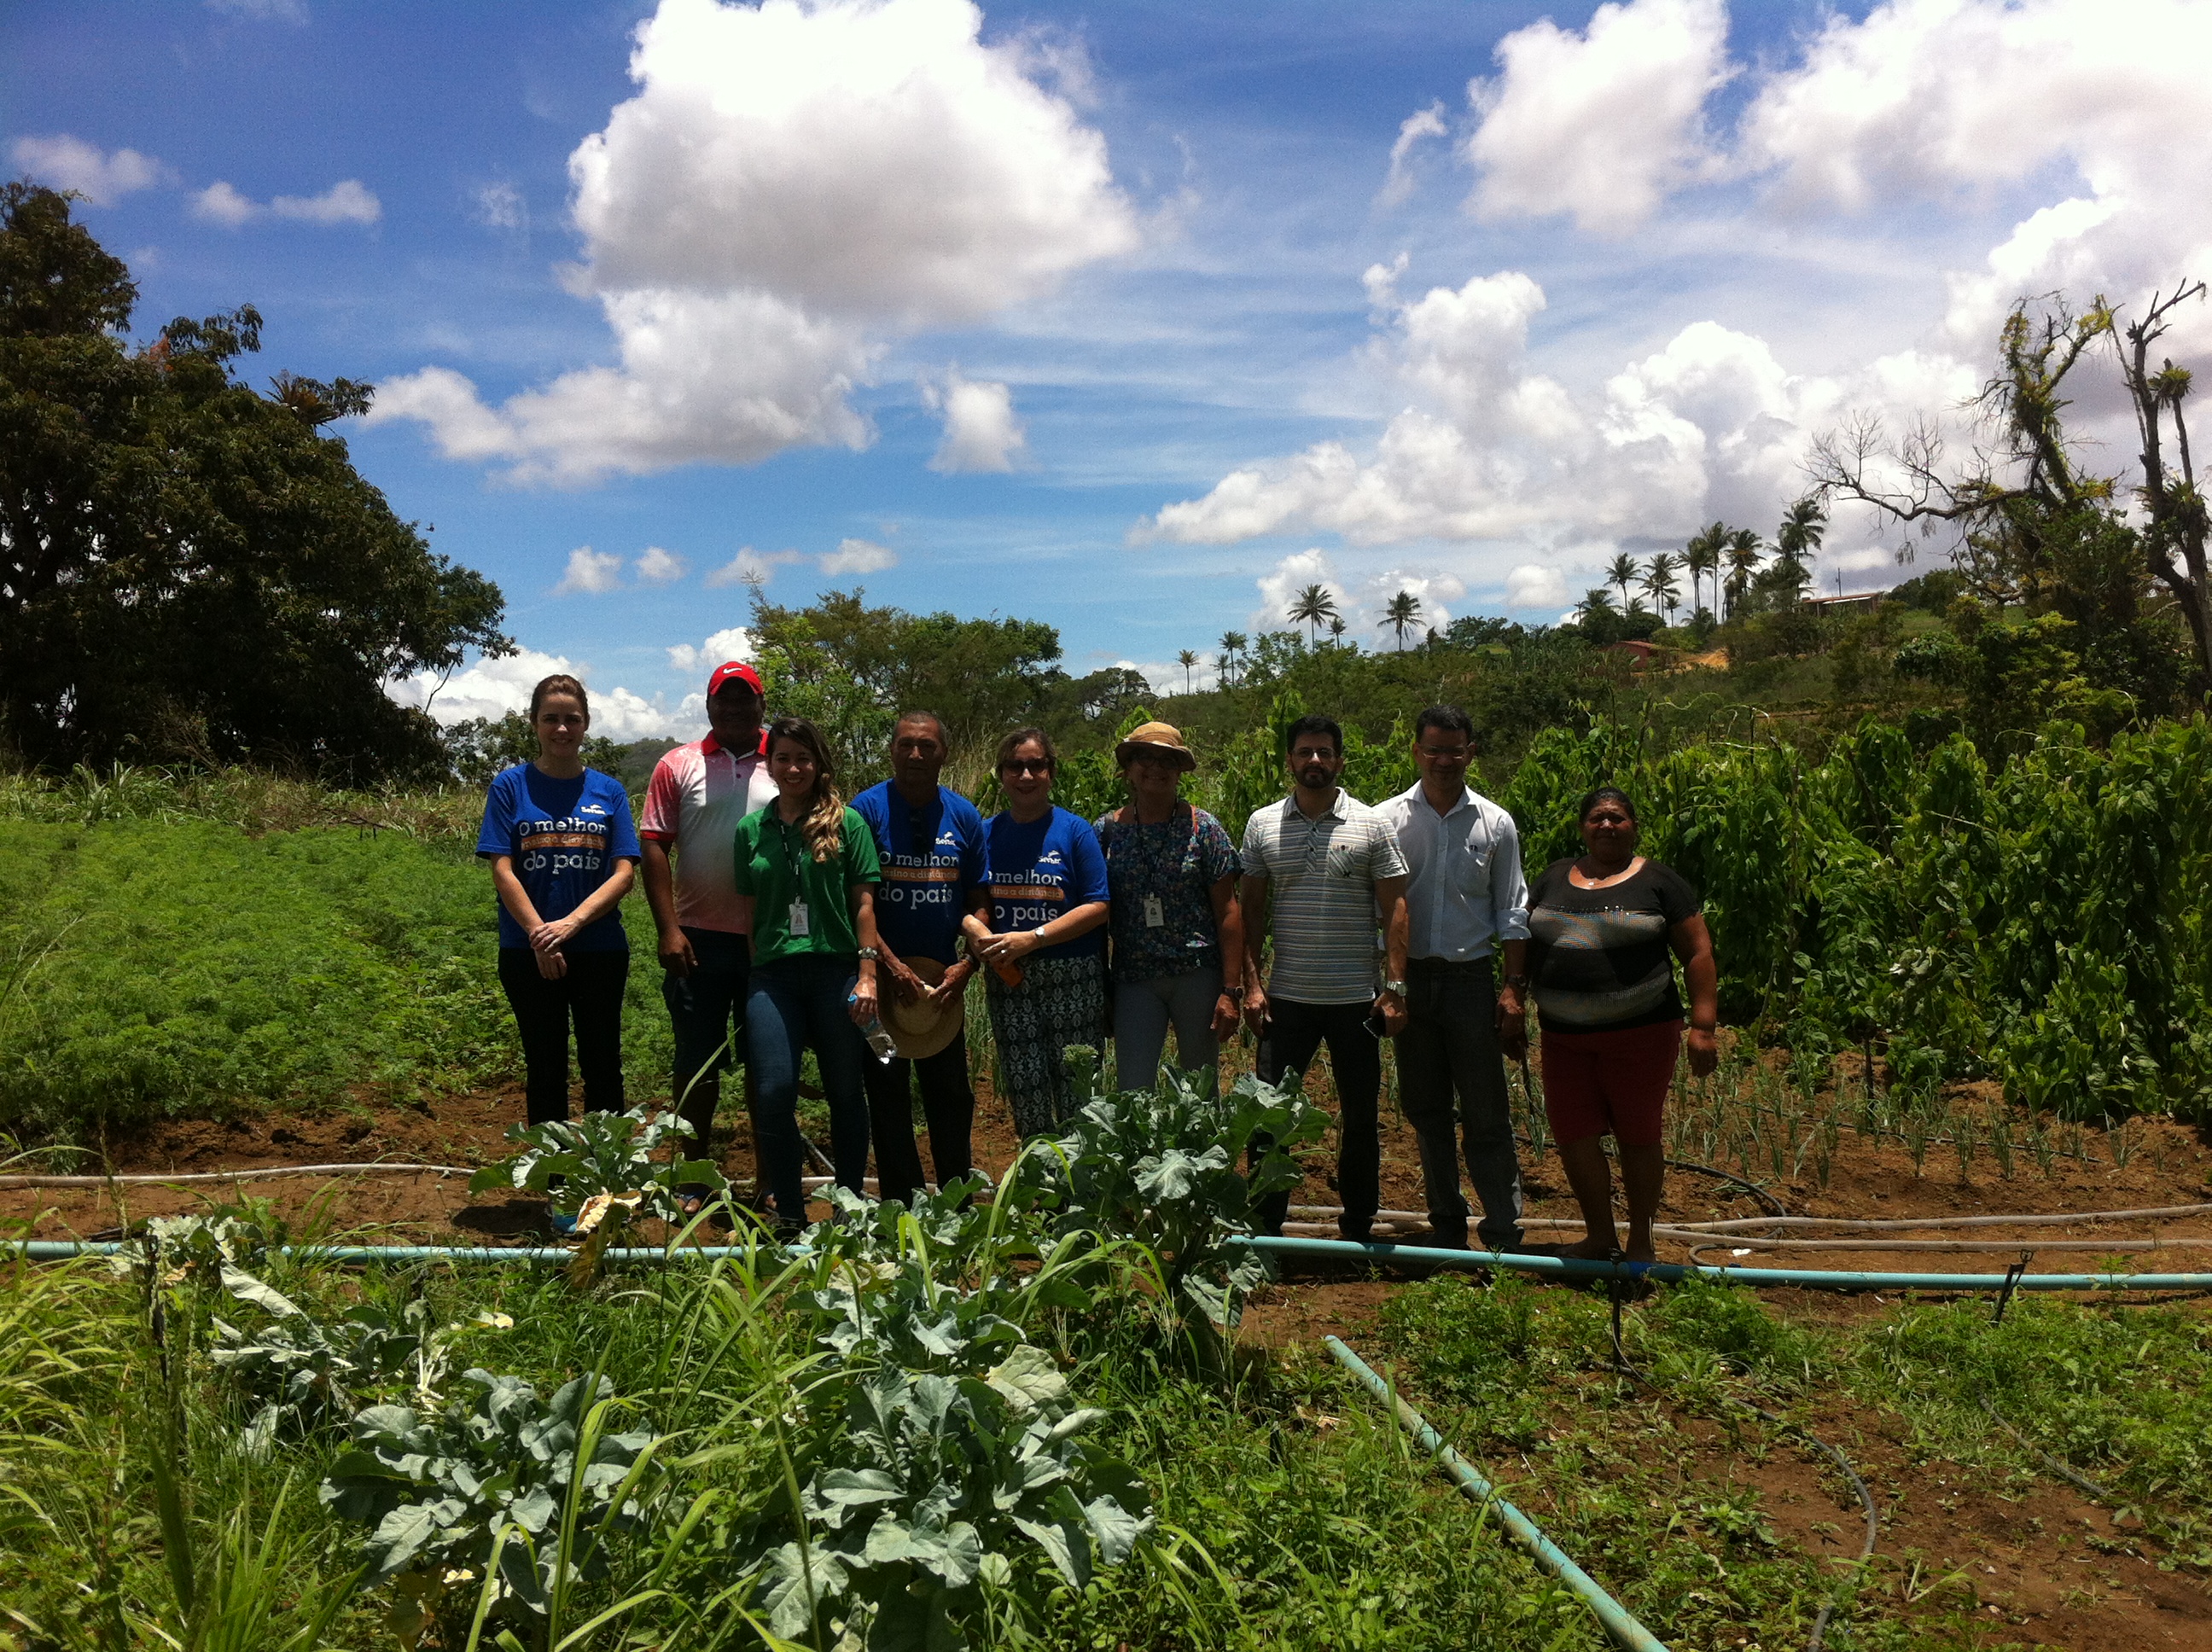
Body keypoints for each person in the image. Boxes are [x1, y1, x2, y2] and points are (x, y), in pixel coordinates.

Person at [1517, 786, 1719, 1262]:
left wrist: (1703, 1025)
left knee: (1638, 1133)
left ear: (1633, 826)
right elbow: (1521, 939)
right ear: (1582, 827)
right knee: (1573, 1133)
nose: (1606, 826)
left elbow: (1698, 951)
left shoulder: (1658, 881)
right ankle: (1600, 1235)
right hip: (1563, 1037)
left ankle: (1641, 1242)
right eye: (1596, 818)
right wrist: (1512, 997)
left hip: (1641, 1035)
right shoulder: (1551, 878)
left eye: (1617, 818)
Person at [475, 675, 643, 1219]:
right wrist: (539, 934)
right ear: (535, 724)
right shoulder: (510, 787)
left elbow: (623, 872)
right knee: (545, 1066)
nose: (562, 728)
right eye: (551, 718)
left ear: (586, 724)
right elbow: (502, 867)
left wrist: (568, 925)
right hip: (527, 953)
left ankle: (605, 1185)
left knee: (603, 1065)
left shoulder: (609, 791)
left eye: (572, 718)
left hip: (598, 950)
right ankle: (557, 1192)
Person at [1239, 713, 1411, 1240]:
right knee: (1270, 1116)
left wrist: (1395, 987)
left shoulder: (1372, 823)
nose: (1315, 761)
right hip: (1286, 998)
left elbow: (1396, 907)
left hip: (1354, 1001)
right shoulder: (1262, 823)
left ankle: (1358, 1225)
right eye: (1304, 753)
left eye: (1325, 753)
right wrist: (1251, 983)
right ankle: (1266, 1225)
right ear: (1289, 760)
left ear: (1339, 759)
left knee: (1359, 1117)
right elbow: (1249, 912)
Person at [1376, 706, 1529, 1252]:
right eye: (1434, 749)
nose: (1444, 760)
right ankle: (1446, 1227)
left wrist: (1512, 989)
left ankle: (1503, 1234)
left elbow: (1513, 910)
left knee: (1487, 1113)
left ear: (1471, 753)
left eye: (1455, 749)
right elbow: (1376, 908)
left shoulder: (1495, 823)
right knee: (1427, 1110)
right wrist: (1388, 987)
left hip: (1470, 980)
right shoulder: (1387, 820)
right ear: (1416, 752)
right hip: (1408, 981)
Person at [731, 717, 884, 1233]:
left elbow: (864, 905)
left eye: (803, 758)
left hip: (836, 971)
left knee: (845, 1090)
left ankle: (849, 1207)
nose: (793, 767)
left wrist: (868, 975)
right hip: (773, 979)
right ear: (768, 764)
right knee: (774, 1090)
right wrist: (761, 966)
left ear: (819, 763)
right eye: (782, 758)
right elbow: (751, 912)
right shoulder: (751, 831)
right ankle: (790, 1212)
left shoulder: (849, 825)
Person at [638, 660, 777, 1202]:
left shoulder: (786, 760)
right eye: (726, 699)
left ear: (762, 704)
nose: (736, 708)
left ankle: (770, 1178)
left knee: (769, 1066)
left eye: (746, 699)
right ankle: (692, 1178)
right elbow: (655, 844)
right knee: (697, 1065)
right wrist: (668, 929)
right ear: (709, 705)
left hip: (769, 942)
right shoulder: (677, 765)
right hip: (698, 939)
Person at [850, 712, 986, 1206]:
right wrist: (890, 966)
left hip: (939, 991)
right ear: (891, 750)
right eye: (906, 745)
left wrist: (967, 966)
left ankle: (957, 1202)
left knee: (950, 1093)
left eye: (927, 746)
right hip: (880, 988)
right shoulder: (864, 810)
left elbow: (978, 898)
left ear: (943, 754)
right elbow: (856, 899)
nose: (915, 755)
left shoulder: (964, 817)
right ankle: (899, 1204)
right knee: (887, 1089)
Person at [963, 728, 1110, 1137]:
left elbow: (1099, 905)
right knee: (1025, 1089)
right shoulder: (985, 834)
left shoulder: (1074, 831)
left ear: (1051, 772)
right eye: (1015, 766)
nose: (1025, 776)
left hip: (1073, 978)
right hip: (1009, 981)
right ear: (1001, 773)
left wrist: (1035, 937)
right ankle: (1042, 1190)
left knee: (1078, 1090)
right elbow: (967, 898)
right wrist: (972, 926)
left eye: (1036, 765)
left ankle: (1085, 1189)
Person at [1093, 720, 1243, 1091]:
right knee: (1133, 1090)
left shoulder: (1203, 828)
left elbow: (1228, 911)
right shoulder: (1107, 831)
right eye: (1145, 757)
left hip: (1197, 975)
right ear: (1129, 768)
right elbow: (1094, 913)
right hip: (1133, 979)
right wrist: (1100, 987)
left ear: (1179, 771)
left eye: (1168, 760)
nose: (1156, 768)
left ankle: (1204, 1152)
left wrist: (1230, 989)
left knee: (1200, 1090)